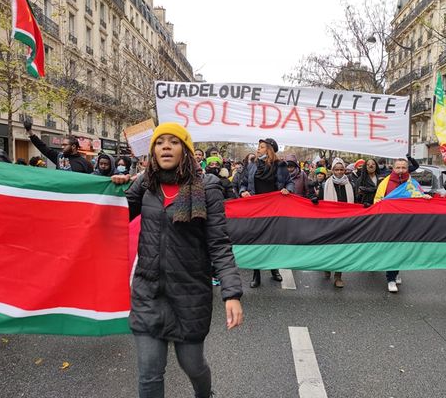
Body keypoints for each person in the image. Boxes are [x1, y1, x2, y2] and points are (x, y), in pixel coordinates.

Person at [111, 122, 243, 398]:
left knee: (192, 365)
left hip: (190, 295)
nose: (166, 147)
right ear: (153, 150)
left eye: (173, 142)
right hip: (149, 292)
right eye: (160, 142)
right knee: (149, 373)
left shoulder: (207, 187)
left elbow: (219, 244)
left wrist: (231, 293)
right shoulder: (145, 185)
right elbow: (113, 216)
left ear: (185, 150)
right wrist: (115, 189)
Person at [240, 138, 294, 288]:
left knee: (272, 241)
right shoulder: (252, 165)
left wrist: (287, 189)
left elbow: (290, 182)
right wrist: (243, 191)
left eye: (262, 147)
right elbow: (243, 183)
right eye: (258, 146)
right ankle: (256, 274)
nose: (258, 149)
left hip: (274, 211)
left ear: (269, 150)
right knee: (256, 241)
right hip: (256, 210)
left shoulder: (280, 165)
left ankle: (274, 269)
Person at [374, 158, 431, 293]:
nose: (400, 170)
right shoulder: (385, 182)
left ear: (407, 169)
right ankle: (391, 278)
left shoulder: (412, 183)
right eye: (398, 167)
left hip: (406, 222)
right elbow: (377, 200)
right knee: (393, 249)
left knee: (402, 248)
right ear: (393, 168)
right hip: (390, 222)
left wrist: (426, 198)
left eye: (403, 168)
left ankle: (396, 271)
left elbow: (419, 196)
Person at [320, 158, 355, 288]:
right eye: (336, 169)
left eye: (341, 169)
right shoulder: (325, 185)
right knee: (329, 247)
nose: (339, 172)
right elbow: (319, 202)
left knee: (342, 248)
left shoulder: (351, 185)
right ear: (332, 170)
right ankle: (327, 266)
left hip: (345, 221)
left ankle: (338, 276)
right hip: (329, 221)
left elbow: (355, 202)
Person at [24, 120, 92, 173]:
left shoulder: (85, 163)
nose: (63, 147)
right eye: (62, 145)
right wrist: (30, 132)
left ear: (73, 146)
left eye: (65, 145)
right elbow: (42, 147)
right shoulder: (60, 157)